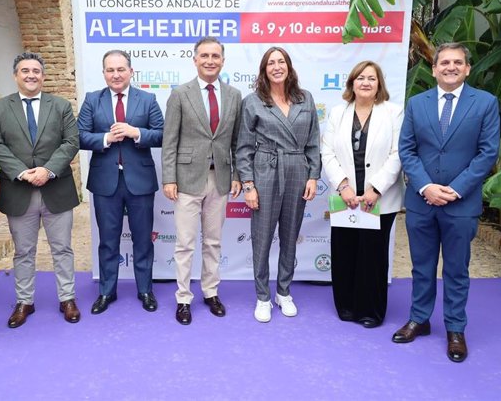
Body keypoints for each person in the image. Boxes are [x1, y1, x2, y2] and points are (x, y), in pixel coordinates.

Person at [394, 43, 500, 362]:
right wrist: (426, 186)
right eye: (444, 62)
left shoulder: (485, 103)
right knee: (421, 267)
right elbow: (407, 149)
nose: (450, 67)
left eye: (457, 62)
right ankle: (420, 319)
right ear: (434, 69)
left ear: (468, 68)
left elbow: (487, 153)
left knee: (456, 269)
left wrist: (454, 190)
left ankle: (455, 328)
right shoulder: (417, 103)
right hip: (421, 202)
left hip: (460, 204)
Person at [0, 52, 81, 328]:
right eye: (25, 70)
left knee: (62, 248)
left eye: (36, 71)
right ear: (16, 75)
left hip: (57, 188)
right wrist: (21, 172)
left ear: (43, 75)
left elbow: (70, 142)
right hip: (19, 189)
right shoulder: (0, 108)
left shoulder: (61, 105)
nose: (31, 75)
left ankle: (68, 298)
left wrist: (47, 170)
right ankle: (24, 301)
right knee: (23, 251)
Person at [236, 47, 320, 323]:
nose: (276, 67)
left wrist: (313, 175)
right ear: (264, 70)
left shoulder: (305, 99)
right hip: (265, 170)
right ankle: (262, 296)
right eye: (270, 63)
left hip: (297, 169)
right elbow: (244, 147)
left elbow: (313, 142)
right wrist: (248, 185)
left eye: (280, 61)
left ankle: (284, 291)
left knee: (290, 235)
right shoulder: (252, 102)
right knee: (261, 237)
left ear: (288, 66)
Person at [162, 36, 243, 325]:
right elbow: (169, 140)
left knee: (213, 242)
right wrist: (169, 178)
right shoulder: (180, 94)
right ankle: (183, 298)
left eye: (216, 56)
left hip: (219, 179)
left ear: (223, 60)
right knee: (184, 244)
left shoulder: (234, 96)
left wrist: (237, 175)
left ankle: (210, 292)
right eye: (204, 56)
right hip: (186, 180)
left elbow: (237, 142)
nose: (210, 60)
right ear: (195, 59)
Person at [77, 50, 164, 314]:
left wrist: (136, 132)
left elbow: (163, 134)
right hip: (105, 182)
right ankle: (106, 291)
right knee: (107, 240)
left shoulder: (147, 99)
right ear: (104, 73)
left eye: (120, 69)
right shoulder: (93, 100)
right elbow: (80, 136)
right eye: (110, 70)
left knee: (142, 240)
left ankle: (145, 290)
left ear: (130, 71)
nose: (115, 74)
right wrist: (106, 139)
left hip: (140, 181)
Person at [321, 61, 404, 328]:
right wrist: (343, 186)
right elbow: (327, 153)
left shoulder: (393, 112)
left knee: (373, 253)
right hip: (344, 197)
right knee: (344, 250)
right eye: (360, 78)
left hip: (379, 199)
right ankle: (346, 306)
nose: (365, 82)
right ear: (352, 83)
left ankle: (370, 311)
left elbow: (397, 154)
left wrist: (376, 188)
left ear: (379, 84)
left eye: (371, 78)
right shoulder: (337, 113)